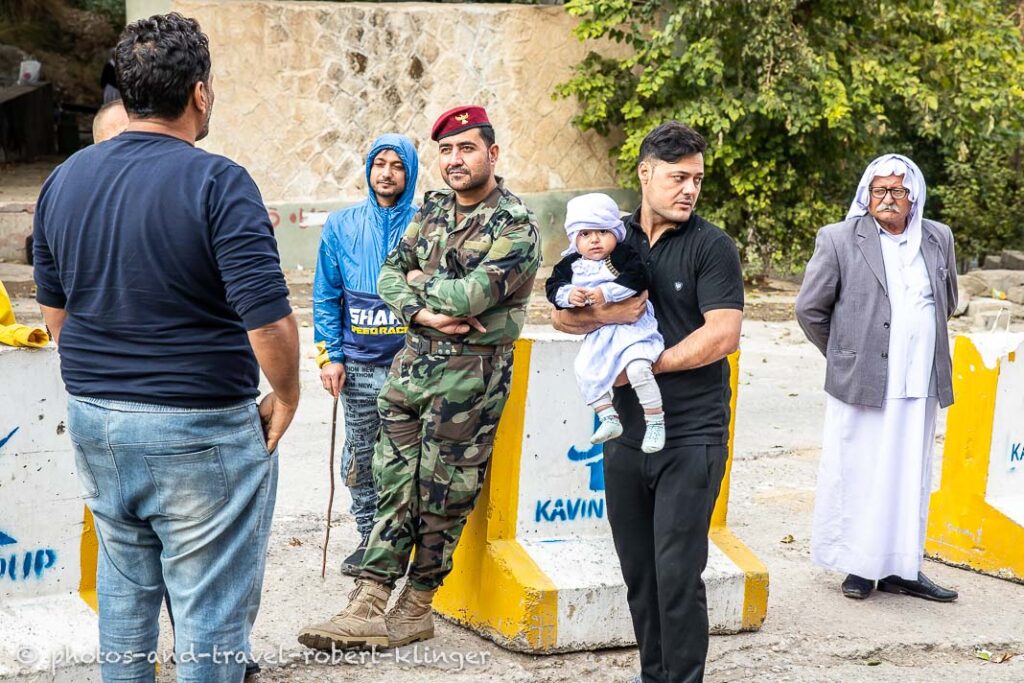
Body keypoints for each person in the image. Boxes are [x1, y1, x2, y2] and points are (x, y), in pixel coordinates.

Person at [33, 13, 299, 682]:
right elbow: (267, 320)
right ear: (200, 94)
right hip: (199, 427)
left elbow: (56, 312)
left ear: (125, 90)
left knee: (123, 600)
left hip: (98, 424)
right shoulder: (219, 182)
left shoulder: (63, 181)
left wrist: (108, 378)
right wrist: (288, 394)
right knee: (210, 617)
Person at [298, 105, 540, 650]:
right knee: (393, 485)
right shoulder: (431, 209)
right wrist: (424, 311)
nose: (455, 160)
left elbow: (472, 296)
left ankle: (416, 605)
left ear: (492, 154)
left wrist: (417, 283)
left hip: (468, 380)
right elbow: (389, 273)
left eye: (467, 148)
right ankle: (368, 600)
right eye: (448, 151)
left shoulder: (515, 225)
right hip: (408, 372)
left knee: (443, 493)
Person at [551, 122, 743, 683]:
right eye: (678, 177)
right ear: (646, 173)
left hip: (692, 433)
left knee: (678, 573)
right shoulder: (608, 239)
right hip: (625, 438)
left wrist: (642, 368)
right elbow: (561, 314)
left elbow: (723, 334)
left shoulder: (712, 246)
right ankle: (652, 675)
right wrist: (611, 317)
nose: (689, 189)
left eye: (698, 180)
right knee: (639, 573)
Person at [795, 153, 959, 603]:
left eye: (898, 191)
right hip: (863, 381)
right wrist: (845, 353)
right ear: (866, 196)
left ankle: (903, 567)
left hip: (919, 383)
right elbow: (809, 310)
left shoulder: (937, 237)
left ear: (914, 196)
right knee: (860, 471)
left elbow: (947, 300)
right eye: (879, 190)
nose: (888, 199)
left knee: (910, 475)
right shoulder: (839, 239)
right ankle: (860, 569)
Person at [313, 133, 420, 575]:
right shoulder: (341, 225)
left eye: (397, 165)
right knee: (360, 456)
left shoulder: (426, 222)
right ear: (368, 170)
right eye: (380, 164)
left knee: (406, 457)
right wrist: (328, 357)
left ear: (410, 172)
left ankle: (404, 542)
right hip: (356, 366)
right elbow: (325, 295)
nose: (387, 173)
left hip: (412, 365)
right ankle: (367, 539)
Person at [545, 192, 666, 452]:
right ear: (574, 238)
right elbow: (553, 289)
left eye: (602, 231)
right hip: (600, 334)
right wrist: (569, 295)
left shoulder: (623, 256)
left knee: (638, 369)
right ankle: (608, 416)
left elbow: (637, 278)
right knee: (584, 368)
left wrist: (606, 293)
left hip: (632, 330)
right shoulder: (570, 264)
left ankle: (655, 421)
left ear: (615, 232)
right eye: (585, 234)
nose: (594, 240)